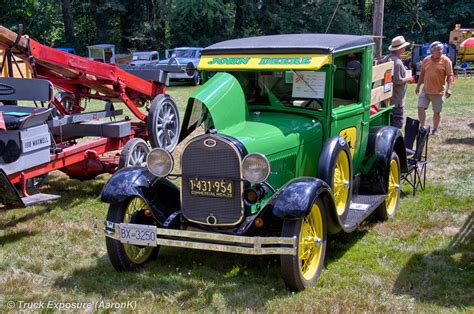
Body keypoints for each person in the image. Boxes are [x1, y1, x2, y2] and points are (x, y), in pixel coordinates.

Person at [415, 41, 453, 136]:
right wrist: (418, 86)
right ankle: (422, 127)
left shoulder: (446, 61)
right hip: (425, 90)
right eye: (437, 49)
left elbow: (449, 76)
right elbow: (422, 74)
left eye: (441, 49)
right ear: (432, 51)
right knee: (420, 107)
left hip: (438, 91)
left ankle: (435, 129)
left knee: (437, 112)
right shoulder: (426, 60)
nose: (440, 51)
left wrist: (449, 88)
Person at [382, 36, 414, 128]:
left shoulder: (387, 58)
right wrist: (409, 79)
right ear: (398, 49)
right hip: (396, 99)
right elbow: (398, 80)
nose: (404, 49)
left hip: (386, 97)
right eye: (403, 47)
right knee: (396, 125)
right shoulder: (397, 62)